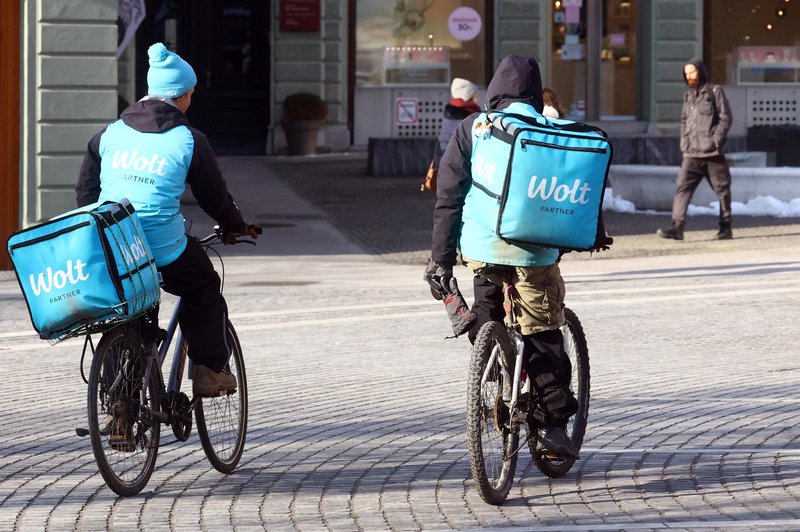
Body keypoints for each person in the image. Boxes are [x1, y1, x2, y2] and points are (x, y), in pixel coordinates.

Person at [424, 56, 610, 460]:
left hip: (480, 250)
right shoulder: (550, 128)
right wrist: (594, 233)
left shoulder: (472, 128)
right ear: (535, 94)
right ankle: (553, 427)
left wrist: (440, 260)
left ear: (493, 91)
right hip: (533, 251)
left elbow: (449, 199)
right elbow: (584, 181)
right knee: (544, 331)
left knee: (487, 314)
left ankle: (495, 363)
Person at [76, 42, 260, 399]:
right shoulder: (189, 140)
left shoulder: (110, 133)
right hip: (163, 247)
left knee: (127, 308)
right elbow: (214, 197)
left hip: (114, 243)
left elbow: (85, 191)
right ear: (184, 95)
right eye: (191, 93)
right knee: (203, 285)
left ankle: (119, 408)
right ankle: (210, 368)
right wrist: (236, 225)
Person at [657, 59, 733, 241]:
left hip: (712, 154)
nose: (690, 76)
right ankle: (677, 227)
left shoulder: (715, 91)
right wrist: (684, 143)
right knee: (682, 188)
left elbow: (726, 119)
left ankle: (725, 227)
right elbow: (684, 121)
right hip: (691, 154)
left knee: (722, 191)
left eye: (693, 72)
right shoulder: (688, 96)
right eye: (687, 74)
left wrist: (715, 141)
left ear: (701, 72)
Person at [435, 77, 481, 164]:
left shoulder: (450, 115)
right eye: (474, 96)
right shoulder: (468, 118)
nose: (477, 100)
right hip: (459, 168)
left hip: (447, 166)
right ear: (467, 98)